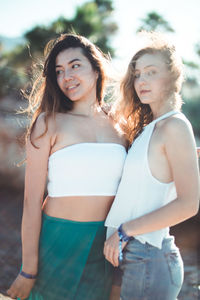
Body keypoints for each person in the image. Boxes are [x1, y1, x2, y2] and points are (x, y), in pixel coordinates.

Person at [7, 33, 127, 300]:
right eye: (59, 71)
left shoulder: (120, 123)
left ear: (96, 70)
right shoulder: (48, 123)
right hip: (57, 243)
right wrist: (28, 269)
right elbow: (31, 201)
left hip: (104, 246)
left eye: (75, 65)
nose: (66, 77)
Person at [104, 32, 200, 300]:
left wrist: (124, 231)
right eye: (137, 74)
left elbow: (189, 204)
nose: (141, 80)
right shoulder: (152, 128)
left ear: (172, 78)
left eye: (151, 72)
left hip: (150, 259)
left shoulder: (175, 126)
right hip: (134, 257)